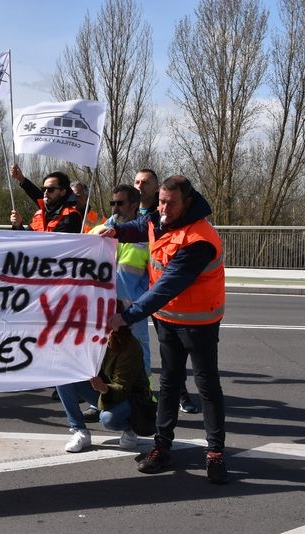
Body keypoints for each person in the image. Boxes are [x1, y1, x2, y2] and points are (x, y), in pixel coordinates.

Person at [101, 175, 229, 484]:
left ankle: (215, 453)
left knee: (207, 386)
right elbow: (140, 227)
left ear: (187, 202)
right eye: (160, 202)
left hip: (199, 323)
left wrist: (127, 316)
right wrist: (116, 231)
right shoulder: (159, 220)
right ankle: (162, 447)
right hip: (168, 320)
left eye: (170, 203)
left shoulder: (199, 239)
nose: (163, 208)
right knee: (169, 383)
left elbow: (166, 286)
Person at [82, 184, 151, 424]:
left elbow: (154, 274)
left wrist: (142, 302)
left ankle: (142, 401)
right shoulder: (99, 230)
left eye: (120, 203)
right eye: (113, 203)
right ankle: (100, 401)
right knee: (99, 355)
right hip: (101, 310)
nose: (115, 207)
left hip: (133, 311)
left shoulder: (146, 233)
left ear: (134, 205)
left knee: (139, 357)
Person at [134, 168, 198, 414]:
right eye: (137, 181)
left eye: (145, 182)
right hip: (135, 292)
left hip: (160, 294)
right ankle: (135, 393)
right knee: (135, 348)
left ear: (156, 187)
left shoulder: (165, 213)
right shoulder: (129, 211)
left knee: (173, 353)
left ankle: (181, 395)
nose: (140, 186)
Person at [56, 308, 151, 453]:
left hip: (130, 398)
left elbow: (123, 387)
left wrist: (104, 388)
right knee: (63, 376)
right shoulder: (87, 339)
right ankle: (79, 430)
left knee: (108, 419)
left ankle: (129, 428)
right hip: (104, 391)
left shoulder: (129, 345)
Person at [8, 164, 81, 233]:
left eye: (50, 189)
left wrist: (22, 179)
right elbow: (26, 239)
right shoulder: (40, 214)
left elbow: (54, 241)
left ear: (62, 192)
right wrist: (18, 226)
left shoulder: (71, 216)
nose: (45, 193)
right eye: (43, 189)